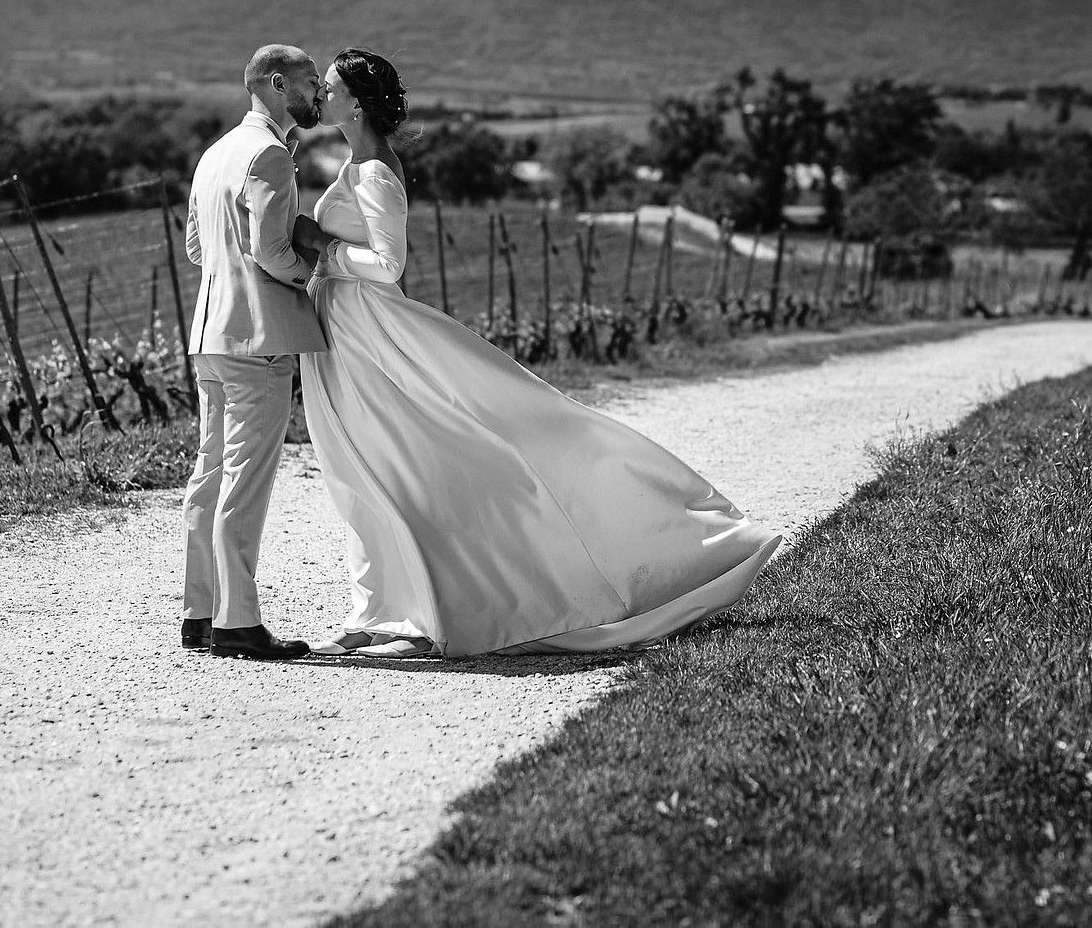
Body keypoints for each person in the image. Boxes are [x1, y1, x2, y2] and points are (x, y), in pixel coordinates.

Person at [295, 48, 780, 658]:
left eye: (331, 87)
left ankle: (423, 608)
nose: (321, 96)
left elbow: (388, 267)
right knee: (364, 468)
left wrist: (322, 249)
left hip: (368, 334)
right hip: (345, 329)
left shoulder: (372, 174)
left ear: (356, 103)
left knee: (389, 464)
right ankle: (382, 611)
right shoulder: (358, 162)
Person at [180, 44, 328, 662]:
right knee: (245, 478)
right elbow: (271, 252)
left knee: (209, 474)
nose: (319, 92)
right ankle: (239, 622)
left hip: (210, 335)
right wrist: (312, 270)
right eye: (310, 82)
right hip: (258, 339)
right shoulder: (268, 153)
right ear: (275, 84)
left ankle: (200, 613)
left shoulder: (215, 153)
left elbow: (195, 247)